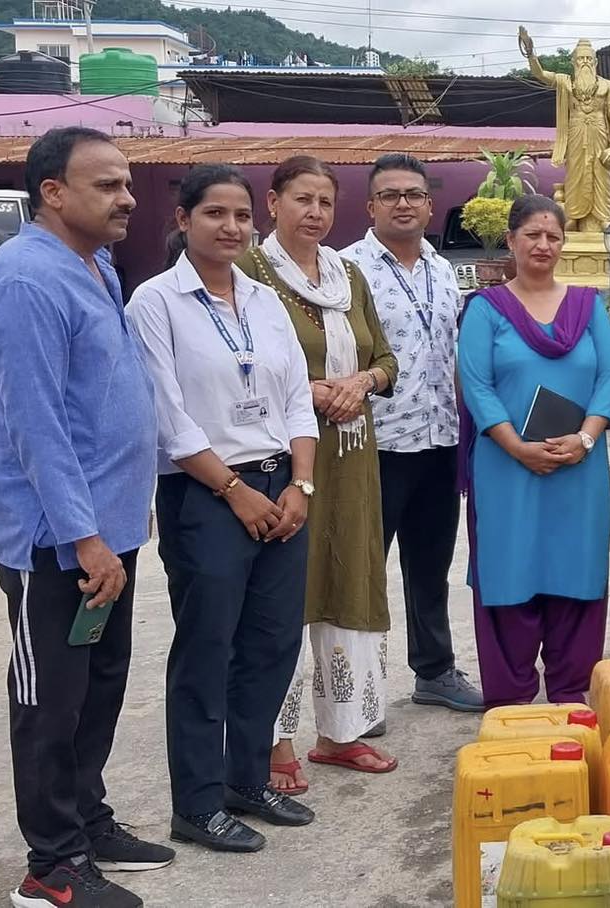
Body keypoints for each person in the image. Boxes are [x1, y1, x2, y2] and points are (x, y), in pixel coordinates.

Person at [0, 126, 172, 908]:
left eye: (128, 183)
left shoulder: (94, 264)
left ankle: (87, 820)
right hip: (54, 541)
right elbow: (37, 425)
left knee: (99, 683)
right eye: (108, 185)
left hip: (107, 531)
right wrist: (84, 536)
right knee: (50, 700)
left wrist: (120, 516)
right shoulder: (25, 280)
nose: (128, 199)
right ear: (52, 192)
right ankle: (50, 864)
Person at [127, 164, 318, 854]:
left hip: (281, 488)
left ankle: (247, 778)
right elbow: (168, 417)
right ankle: (198, 802)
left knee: (271, 643)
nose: (231, 227)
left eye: (241, 215)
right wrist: (235, 493)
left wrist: (301, 485)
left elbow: (297, 399)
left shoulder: (265, 301)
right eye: (214, 213)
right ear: (183, 220)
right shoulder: (154, 303)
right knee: (208, 648)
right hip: (206, 494)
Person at [239, 155, 400, 791]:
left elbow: (384, 357)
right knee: (284, 593)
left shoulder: (347, 275)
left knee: (348, 581)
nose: (314, 213)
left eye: (325, 202)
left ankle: (341, 733)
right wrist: (307, 390)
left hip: (352, 456)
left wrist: (362, 382)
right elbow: (242, 360)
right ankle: (272, 742)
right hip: (282, 455)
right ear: (272, 202)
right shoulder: (249, 272)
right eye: (302, 199)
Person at [457, 194, 610, 707]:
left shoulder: (587, 306)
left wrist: (585, 438)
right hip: (506, 468)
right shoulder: (486, 310)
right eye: (532, 234)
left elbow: (608, 377)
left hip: (580, 467)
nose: (543, 244)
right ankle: (511, 703)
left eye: (553, 236)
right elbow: (476, 384)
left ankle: (571, 697)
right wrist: (517, 446)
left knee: (577, 568)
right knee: (510, 569)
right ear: (511, 240)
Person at [339, 153, 483, 714]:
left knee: (430, 567)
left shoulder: (442, 269)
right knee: (361, 572)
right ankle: (358, 694)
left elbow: (451, 352)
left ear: (429, 205)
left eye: (414, 195)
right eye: (390, 195)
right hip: (373, 443)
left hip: (439, 438)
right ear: (370, 206)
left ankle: (434, 671)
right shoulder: (344, 269)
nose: (403, 204)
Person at [518, 28, 610, 232]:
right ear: (574, 62)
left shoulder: (608, 86)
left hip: (600, 137)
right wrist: (530, 53)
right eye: (581, 58)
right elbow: (540, 74)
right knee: (575, 174)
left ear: (595, 62)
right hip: (575, 136)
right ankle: (574, 216)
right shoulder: (565, 83)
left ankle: (603, 216)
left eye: (589, 59)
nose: (585, 62)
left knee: (601, 176)